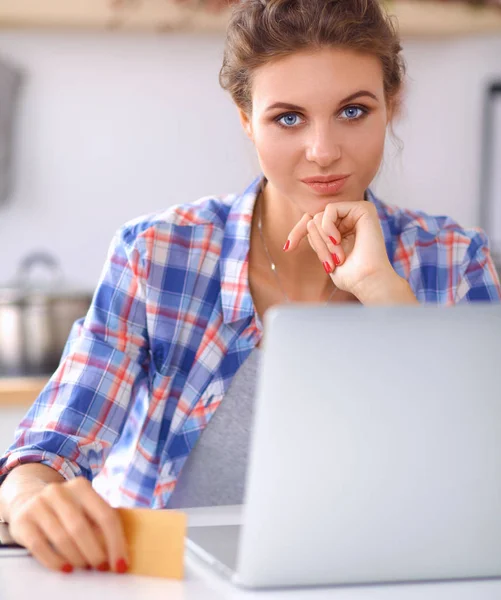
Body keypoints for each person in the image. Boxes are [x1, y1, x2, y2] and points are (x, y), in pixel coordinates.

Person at [1, 0, 500, 577]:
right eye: (288, 118)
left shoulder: (455, 261)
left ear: (392, 104)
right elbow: (48, 449)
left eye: (353, 111)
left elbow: (482, 475)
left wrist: (383, 292)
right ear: (246, 118)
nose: (322, 150)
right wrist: (28, 496)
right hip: (168, 580)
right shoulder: (159, 256)